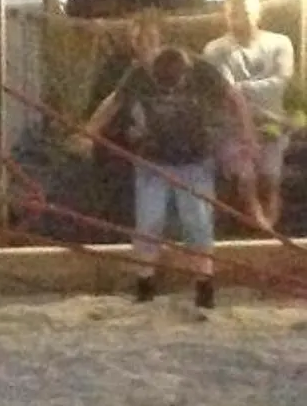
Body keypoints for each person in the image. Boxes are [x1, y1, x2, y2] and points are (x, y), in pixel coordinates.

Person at [80, 15, 248, 310]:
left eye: (148, 40)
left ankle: (204, 288)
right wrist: (90, 131)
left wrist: (245, 140)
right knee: (149, 222)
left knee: (197, 223)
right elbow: (114, 102)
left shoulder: (202, 69)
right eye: (137, 43)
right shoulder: (138, 73)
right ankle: (145, 287)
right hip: (153, 160)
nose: (143, 48)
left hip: (195, 159)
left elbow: (234, 98)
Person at [203, 0, 294, 233]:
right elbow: (225, 89)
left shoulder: (280, 43)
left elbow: (281, 81)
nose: (239, 18)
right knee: (246, 175)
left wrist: (243, 89)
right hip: (232, 126)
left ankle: (271, 223)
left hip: (272, 123)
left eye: (244, 12)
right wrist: (248, 95)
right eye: (233, 13)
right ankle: (260, 224)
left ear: (257, 13)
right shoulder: (215, 49)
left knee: (271, 176)